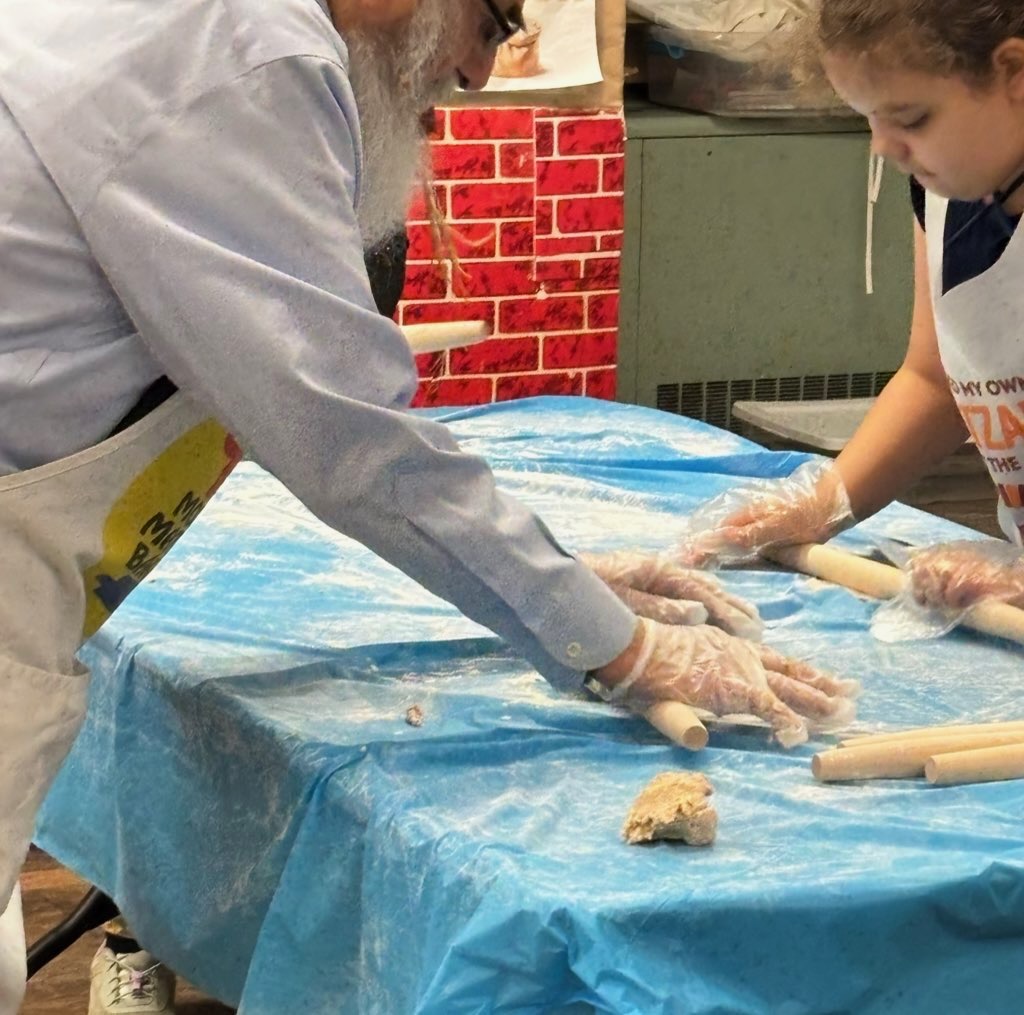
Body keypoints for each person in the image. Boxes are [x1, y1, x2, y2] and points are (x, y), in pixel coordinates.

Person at [0, 0, 855, 1011]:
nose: (481, 74)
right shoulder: (239, 52)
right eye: (492, 22)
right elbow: (343, 434)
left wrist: (557, 584)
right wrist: (618, 645)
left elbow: (280, 393)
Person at [679, 0, 1024, 620]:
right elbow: (935, 381)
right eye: (868, 118)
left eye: (911, 118)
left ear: (1015, 74)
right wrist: (826, 502)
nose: (885, 148)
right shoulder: (950, 187)